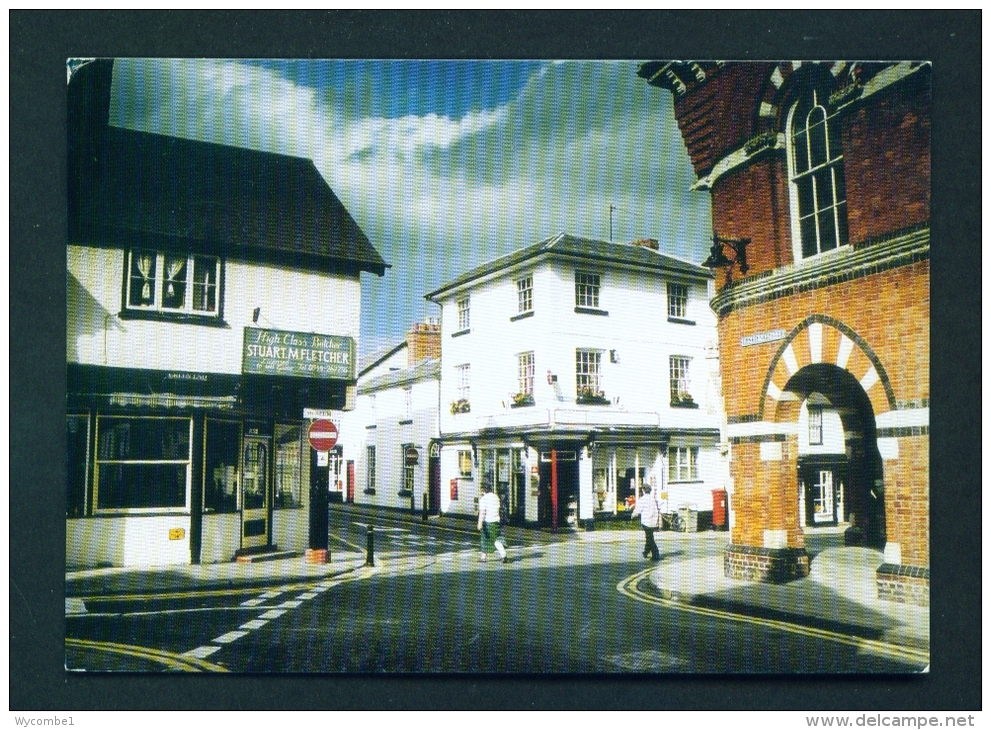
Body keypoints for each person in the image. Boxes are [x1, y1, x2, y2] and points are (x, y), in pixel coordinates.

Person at [477, 482, 508, 564]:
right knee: (487, 538)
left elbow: (482, 512)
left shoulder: (483, 499)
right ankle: (483, 557)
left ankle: (503, 555)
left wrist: (479, 523)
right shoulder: (495, 497)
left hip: (488, 522)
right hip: (497, 520)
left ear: (483, 490)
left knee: (493, 539)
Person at [630, 483, 661, 561]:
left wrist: (633, 515)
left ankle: (655, 554)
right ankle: (646, 552)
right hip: (653, 521)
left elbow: (638, 510)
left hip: (646, 522)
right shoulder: (653, 499)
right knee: (649, 537)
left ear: (643, 490)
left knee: (650, 538)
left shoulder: (642, 499)